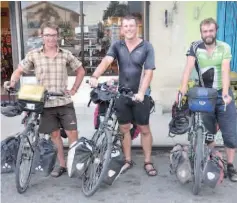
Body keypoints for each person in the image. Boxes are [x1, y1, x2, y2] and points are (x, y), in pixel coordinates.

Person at [4, 21, 85, 177]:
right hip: (45, 103)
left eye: (54, 35)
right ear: (42, 36)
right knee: (54, 135)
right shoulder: (34, 54)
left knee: (72, 133)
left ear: (58, 36)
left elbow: (81, 71)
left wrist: (74, 89)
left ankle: (75, 163)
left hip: (64, 102)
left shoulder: (65, 54)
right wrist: (12, 82)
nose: (51, 38)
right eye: (47, 35)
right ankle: (62, 165)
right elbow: (19, 70)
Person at [89, 15, 157, 176]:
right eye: (125, 26)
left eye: (131, 26)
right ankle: (127, 160)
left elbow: (148, 72)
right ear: (121, 29)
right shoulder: (117, 45)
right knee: (124, 128)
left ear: (137, 27)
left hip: (140, 95)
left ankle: (148, 161)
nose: (128, 29)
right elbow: (106, 61)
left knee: (144, 128)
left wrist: (141, 92)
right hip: (122, 93)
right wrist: (94, 76)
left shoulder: (147, 47)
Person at [178, 18, 237, 182]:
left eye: (211, 31)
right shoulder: (195, 47)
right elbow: (188, 68)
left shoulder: (224, 47)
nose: (208, 34)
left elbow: (225, 70)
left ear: (216, 31)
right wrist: (182, 89)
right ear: (201, 33)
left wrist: (225, 93)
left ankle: (230, 165)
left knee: (231, 134)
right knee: (207, 133)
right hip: (205, 95)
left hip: (222, 94)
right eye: (205, 31)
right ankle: (214, 158)